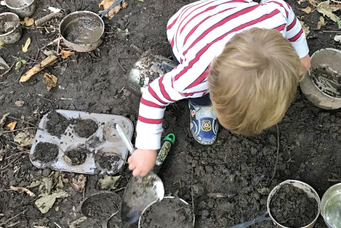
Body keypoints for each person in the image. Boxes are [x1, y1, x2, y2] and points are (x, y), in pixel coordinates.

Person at [128, 0, 311, 177]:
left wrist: (302, 55)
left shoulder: (275, 18)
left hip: (227, 11)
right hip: (185, 27)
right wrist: (147, 148)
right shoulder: (193, 77)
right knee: (199, 95)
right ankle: (201, 104)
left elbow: (286, 11)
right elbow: (153, 96)